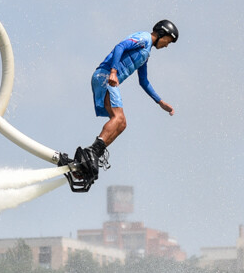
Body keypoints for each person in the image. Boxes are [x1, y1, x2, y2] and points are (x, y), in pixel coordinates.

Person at [59, 20, 178, 191]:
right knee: (119, 118)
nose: (167, 45)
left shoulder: (146, 52)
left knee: (121, 124)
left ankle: (87, 160)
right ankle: (92, 151)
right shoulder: (143, 38)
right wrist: (113, 72)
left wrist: (160, 102)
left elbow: (143, 81)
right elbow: (120, 47)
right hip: (106, 76)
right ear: (162, 33)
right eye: (168, 40)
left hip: (107, 79)